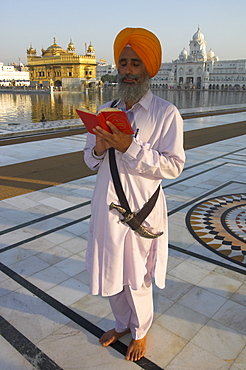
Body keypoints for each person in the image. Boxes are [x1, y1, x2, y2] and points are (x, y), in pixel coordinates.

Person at [84, 27, 185, 362]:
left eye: (135, 63)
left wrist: (130, 147)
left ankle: (140, 331)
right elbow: (89, 162)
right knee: (112, 272)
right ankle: (121, 322)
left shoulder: (165, 113)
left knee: (138, 277)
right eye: (123, 63)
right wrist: (99, 148)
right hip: (106, 209)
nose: (127, 70)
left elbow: (173, 166)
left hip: (141, 210)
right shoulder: (105, 107)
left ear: (148, 69)